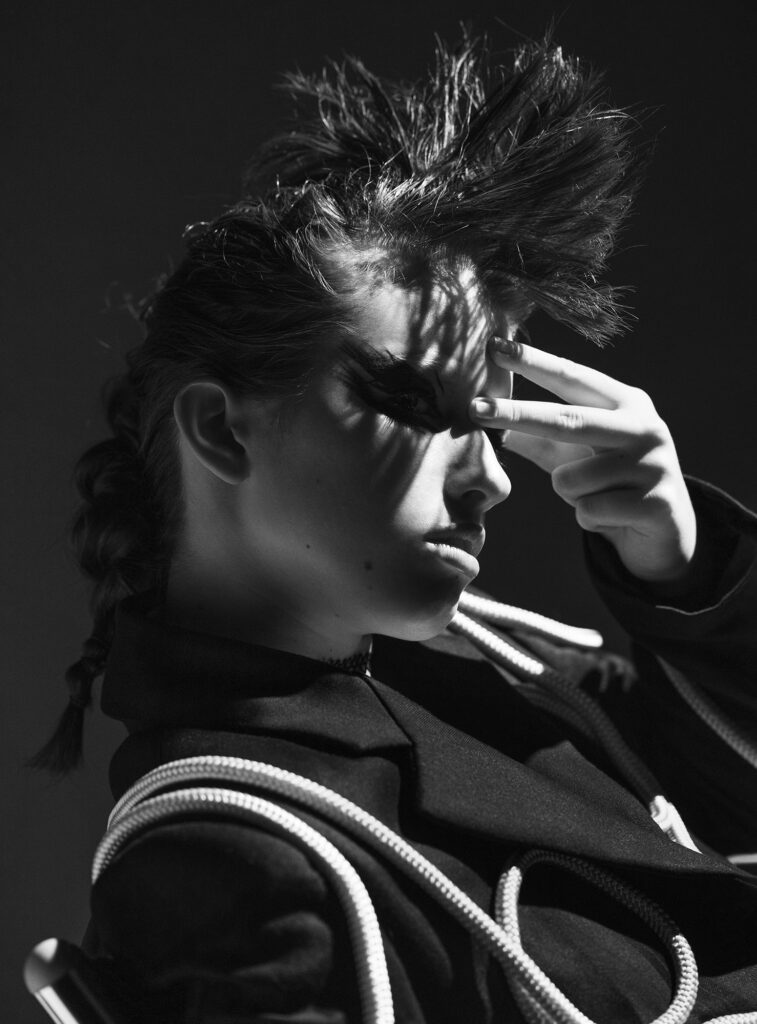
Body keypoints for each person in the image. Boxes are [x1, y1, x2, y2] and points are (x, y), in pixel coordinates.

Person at [32, 29, 757, 1023]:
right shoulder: (230, 859)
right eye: (416, 408)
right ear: (221, 430)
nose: (489, 479)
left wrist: (682, 566)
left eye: (487, 422)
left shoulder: (501, 671)